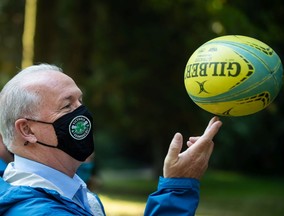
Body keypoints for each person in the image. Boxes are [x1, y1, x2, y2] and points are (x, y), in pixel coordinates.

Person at [0, 64, 222, 215]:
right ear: (27, 130)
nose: (82, 113)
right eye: (67, 105)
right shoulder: (42, 211)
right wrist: (178, 188)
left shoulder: (63, 190)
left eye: (80, 101)